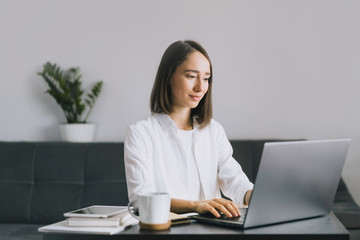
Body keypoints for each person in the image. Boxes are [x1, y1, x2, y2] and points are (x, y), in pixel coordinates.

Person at [124, 40, 253, 218]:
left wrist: (252, 195)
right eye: (191, 76)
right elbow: (141, 199)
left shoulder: (213, 130)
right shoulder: (140, 133)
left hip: (213, 231)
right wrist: (197, 206)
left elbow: (235, 180)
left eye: (206, 78)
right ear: (169, 76)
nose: (200, 87)